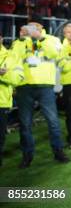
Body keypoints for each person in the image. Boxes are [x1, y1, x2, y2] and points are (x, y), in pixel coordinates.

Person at [16, 22, 70, 167]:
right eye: (29, 27)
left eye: (35, 28)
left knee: (52, 121)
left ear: (40, 28)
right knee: (25, 124)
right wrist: (21, 39)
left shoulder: (52, 39)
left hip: (45, 86)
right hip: (24, 86)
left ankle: (58, 151)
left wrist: (40, 38)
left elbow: (53, 53)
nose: (31, 30)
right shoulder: (21, 41)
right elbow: (15, 57)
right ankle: (27, 155)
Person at [0, 33, 25, 166]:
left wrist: (3, 75)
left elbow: (17, 79)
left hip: (2, 101)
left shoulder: (12, 56)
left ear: (1, 38)